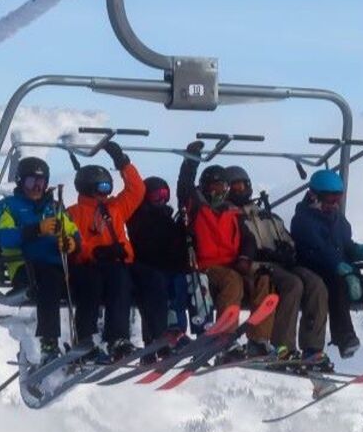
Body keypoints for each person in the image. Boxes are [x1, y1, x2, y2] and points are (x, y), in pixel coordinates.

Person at [64, 141, 167, 360]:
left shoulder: (115, 207)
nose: (106, 193)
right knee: (119, 280)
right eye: (102, 188)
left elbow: (137, 189)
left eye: (108, 188)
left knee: (153, 279)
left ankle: (160, 336)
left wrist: (122, 162)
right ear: (88, 188)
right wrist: (98, 251)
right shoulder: (73, 213)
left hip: (122, 263)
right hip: (95, 267)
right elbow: (73, 244)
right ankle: (117, 338)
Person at [291, 168, 363, 360]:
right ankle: (344, 338)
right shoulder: (303, 220)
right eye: (330, 200)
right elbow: (319, 249)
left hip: (342, 270)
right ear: (314, 196)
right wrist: (340, 267)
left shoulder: (337, 219)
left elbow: (344, 244)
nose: (335, 204)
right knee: (337, 289)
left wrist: (358, 250)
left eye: (338, 199)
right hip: (317, 270)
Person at [224, 165, 328, 372]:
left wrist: (287, 250)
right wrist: (262, 255)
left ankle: (312, 348)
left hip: (283, 263)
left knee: (316, 284)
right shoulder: (230, 216)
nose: (240, 189)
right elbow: (237, 246)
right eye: (235, 186)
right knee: (293, 284)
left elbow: (287, 238)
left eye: (243, 185)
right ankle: (283, 346)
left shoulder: (267, 215)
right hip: (259, 265)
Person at [177, 145, 269, 357]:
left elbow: (248, 239)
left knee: (264, 279)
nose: (219, 192)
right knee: (232, 280)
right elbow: (184, 187)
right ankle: (223, 339)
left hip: (234, 263)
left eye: (222, 187)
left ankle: (259, 339)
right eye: (214, 187)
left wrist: (246, 258)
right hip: (207, 266)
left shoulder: (233, 211)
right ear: (206, 187)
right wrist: (191, 161)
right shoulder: (197, 207)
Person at [0, 156, 78, 359]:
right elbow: (5, 237)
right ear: (21, 181)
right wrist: (36, 229)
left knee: (90, 278)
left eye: (41, 182)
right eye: (31, 182)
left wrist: (71, 243)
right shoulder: (7, 207)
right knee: (50, 279)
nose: (37, 187)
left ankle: (89, 338)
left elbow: (73, 232)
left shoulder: (55, 208)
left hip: (57, 267)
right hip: (25, 269)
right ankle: (49, 343)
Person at [126, 175, 194, 339]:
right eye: (156, 195)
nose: (161, 199)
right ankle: (158, 334)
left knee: (179, 284)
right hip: (148, 268)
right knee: (157, 287)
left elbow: (175, 246)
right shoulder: (138, 217)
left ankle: (177, 329)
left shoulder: (168, 218)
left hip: (169, 268)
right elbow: (147, 245)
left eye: (165, 195)